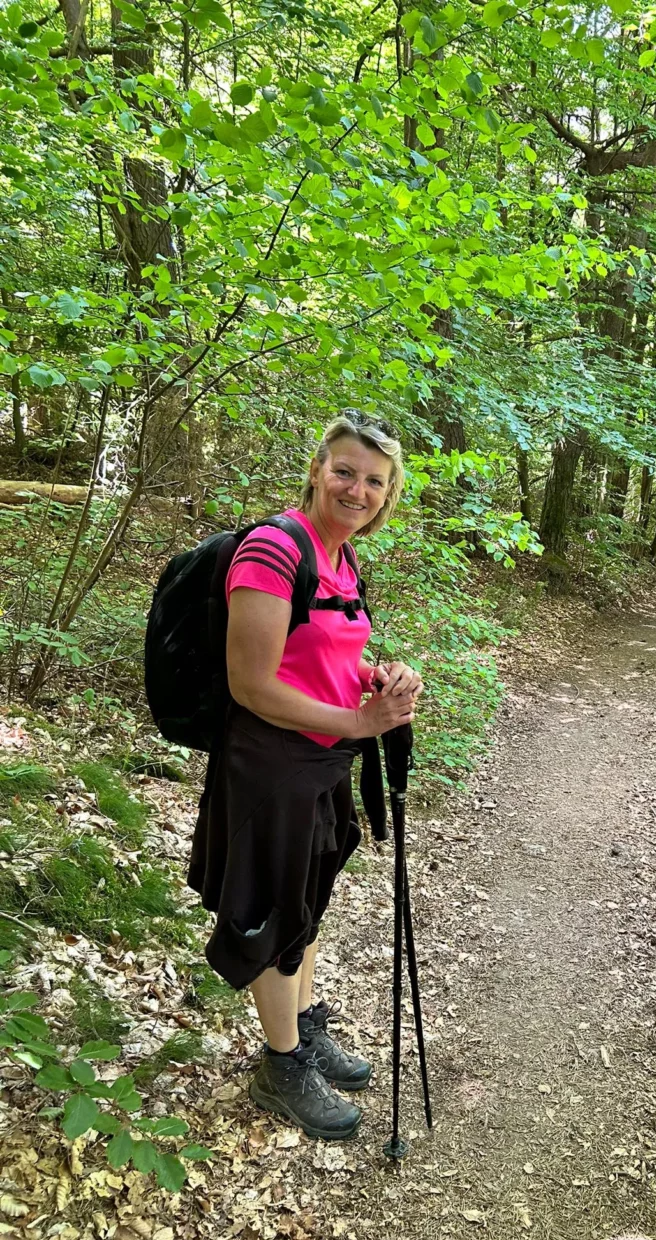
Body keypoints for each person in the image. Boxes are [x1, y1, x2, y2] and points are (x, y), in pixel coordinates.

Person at [188, 411, 422, 1140]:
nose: (359, 488)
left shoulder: (341, 558)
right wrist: (361, 723)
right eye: (346, 470)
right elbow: (252, 682)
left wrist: (374, 674)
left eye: (375, 480)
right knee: (277, 911)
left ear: (387, 496)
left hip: (319, 762)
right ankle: (280, 1062)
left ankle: (300, 1028)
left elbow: (323, 652)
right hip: (269, 765)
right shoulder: (273, 548)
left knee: (307, 900)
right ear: (319, 468)